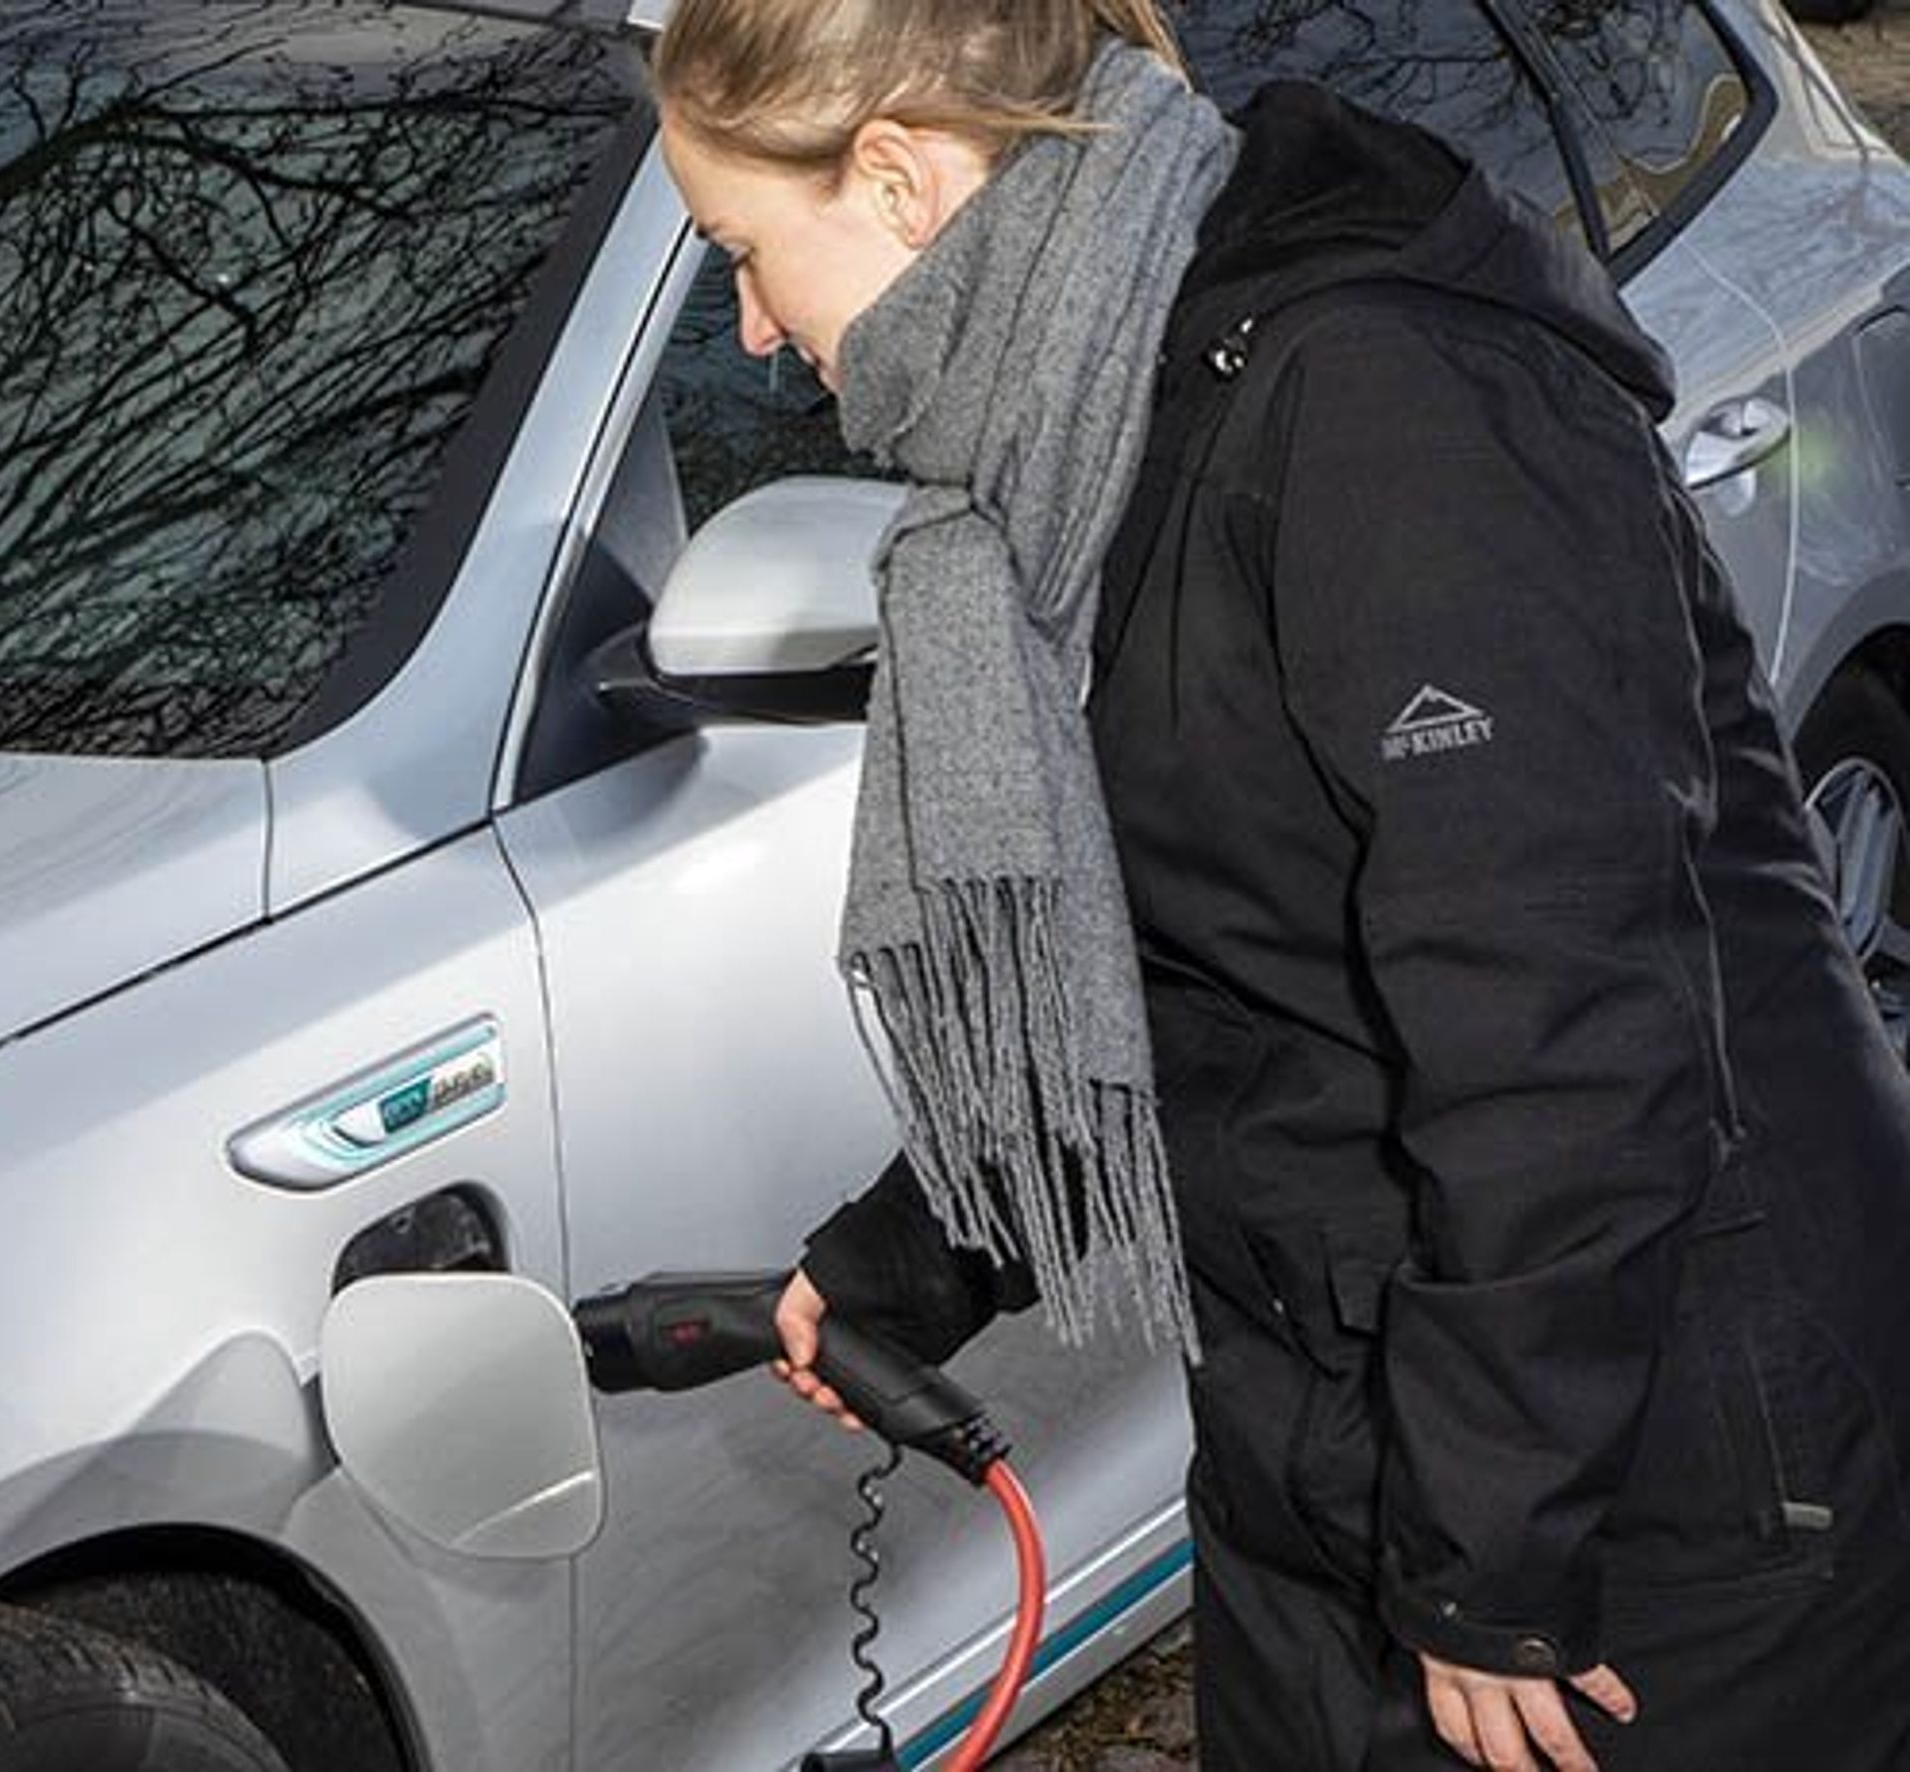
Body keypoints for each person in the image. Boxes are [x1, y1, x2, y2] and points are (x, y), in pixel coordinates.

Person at [645, 3, 1910, 1770]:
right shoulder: (1092, 433)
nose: (760, 333)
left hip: (1660, 1467)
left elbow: (1567, 1030)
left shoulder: (1394, 404)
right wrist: (907, 1262)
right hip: (1325, 1437)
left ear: (898, 177)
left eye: (745, 257)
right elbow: (1193, 965)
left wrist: (1491, 1562)